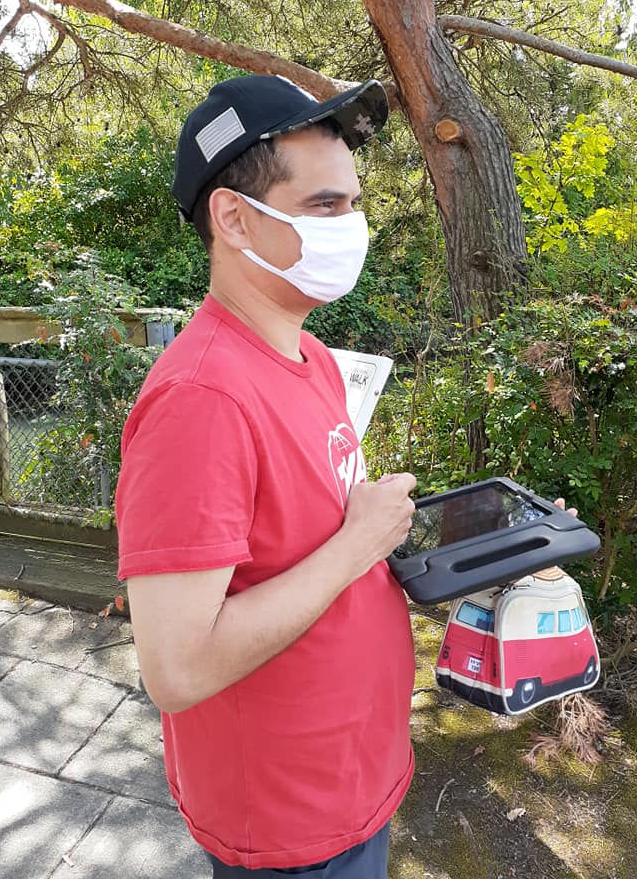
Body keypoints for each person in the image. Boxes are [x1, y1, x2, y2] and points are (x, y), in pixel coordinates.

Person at [115, 74, 418, 878]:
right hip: (289, 826)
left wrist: (474, 550)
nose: (353, 227)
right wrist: (359, 545)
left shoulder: (309, 353)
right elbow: (175, 671)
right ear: (234, 218)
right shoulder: (201, 399)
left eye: (353, 203)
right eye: (326, 206)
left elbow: (315, 534)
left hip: (352, 782)